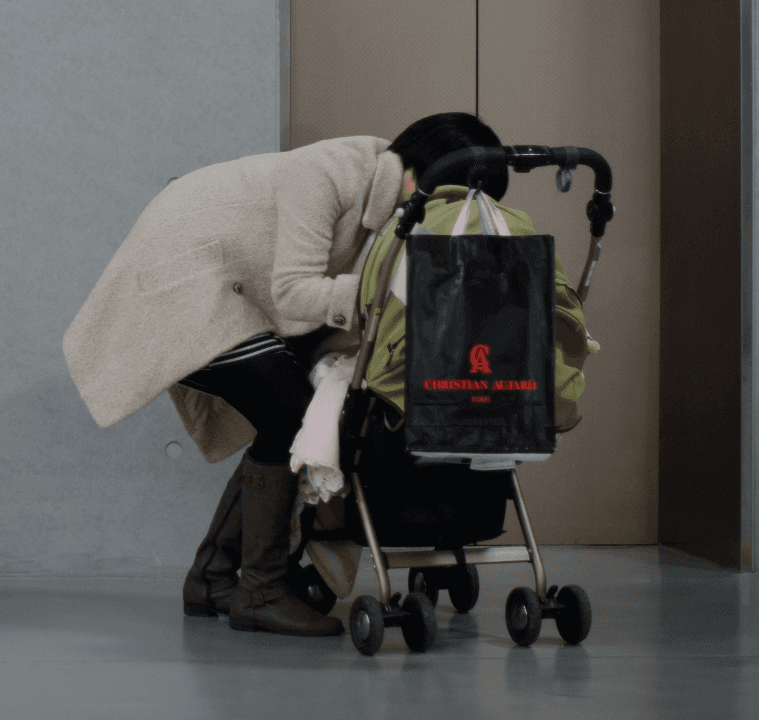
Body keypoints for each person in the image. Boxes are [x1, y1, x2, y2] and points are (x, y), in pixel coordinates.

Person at [63, 112, 509, 637]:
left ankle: (214, 578)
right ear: (414, 173)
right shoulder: (327, 173)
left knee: (292, 412)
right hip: (180, 277)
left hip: (228, 286)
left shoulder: (395, 208)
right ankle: (260, 590)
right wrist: (380, 298)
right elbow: (295, 291)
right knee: (291, 411)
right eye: (447, 198)